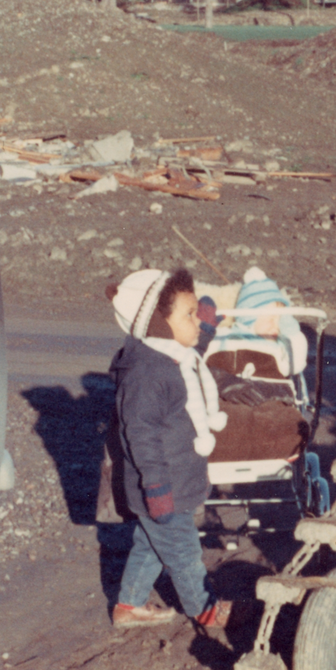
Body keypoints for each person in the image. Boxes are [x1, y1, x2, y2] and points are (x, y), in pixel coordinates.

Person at [105, 268, 233, 629]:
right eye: (188, 315)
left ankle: (128, 606)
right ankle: (205, 609)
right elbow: (140, 435)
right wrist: (156, 487)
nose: (196, 322)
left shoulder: (171, 355)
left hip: (176, 478)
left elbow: (191, 354)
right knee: (183, 552)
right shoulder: (146, 374)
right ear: (159, 324)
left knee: (151, 544)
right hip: (161, 485)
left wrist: (206, 329)